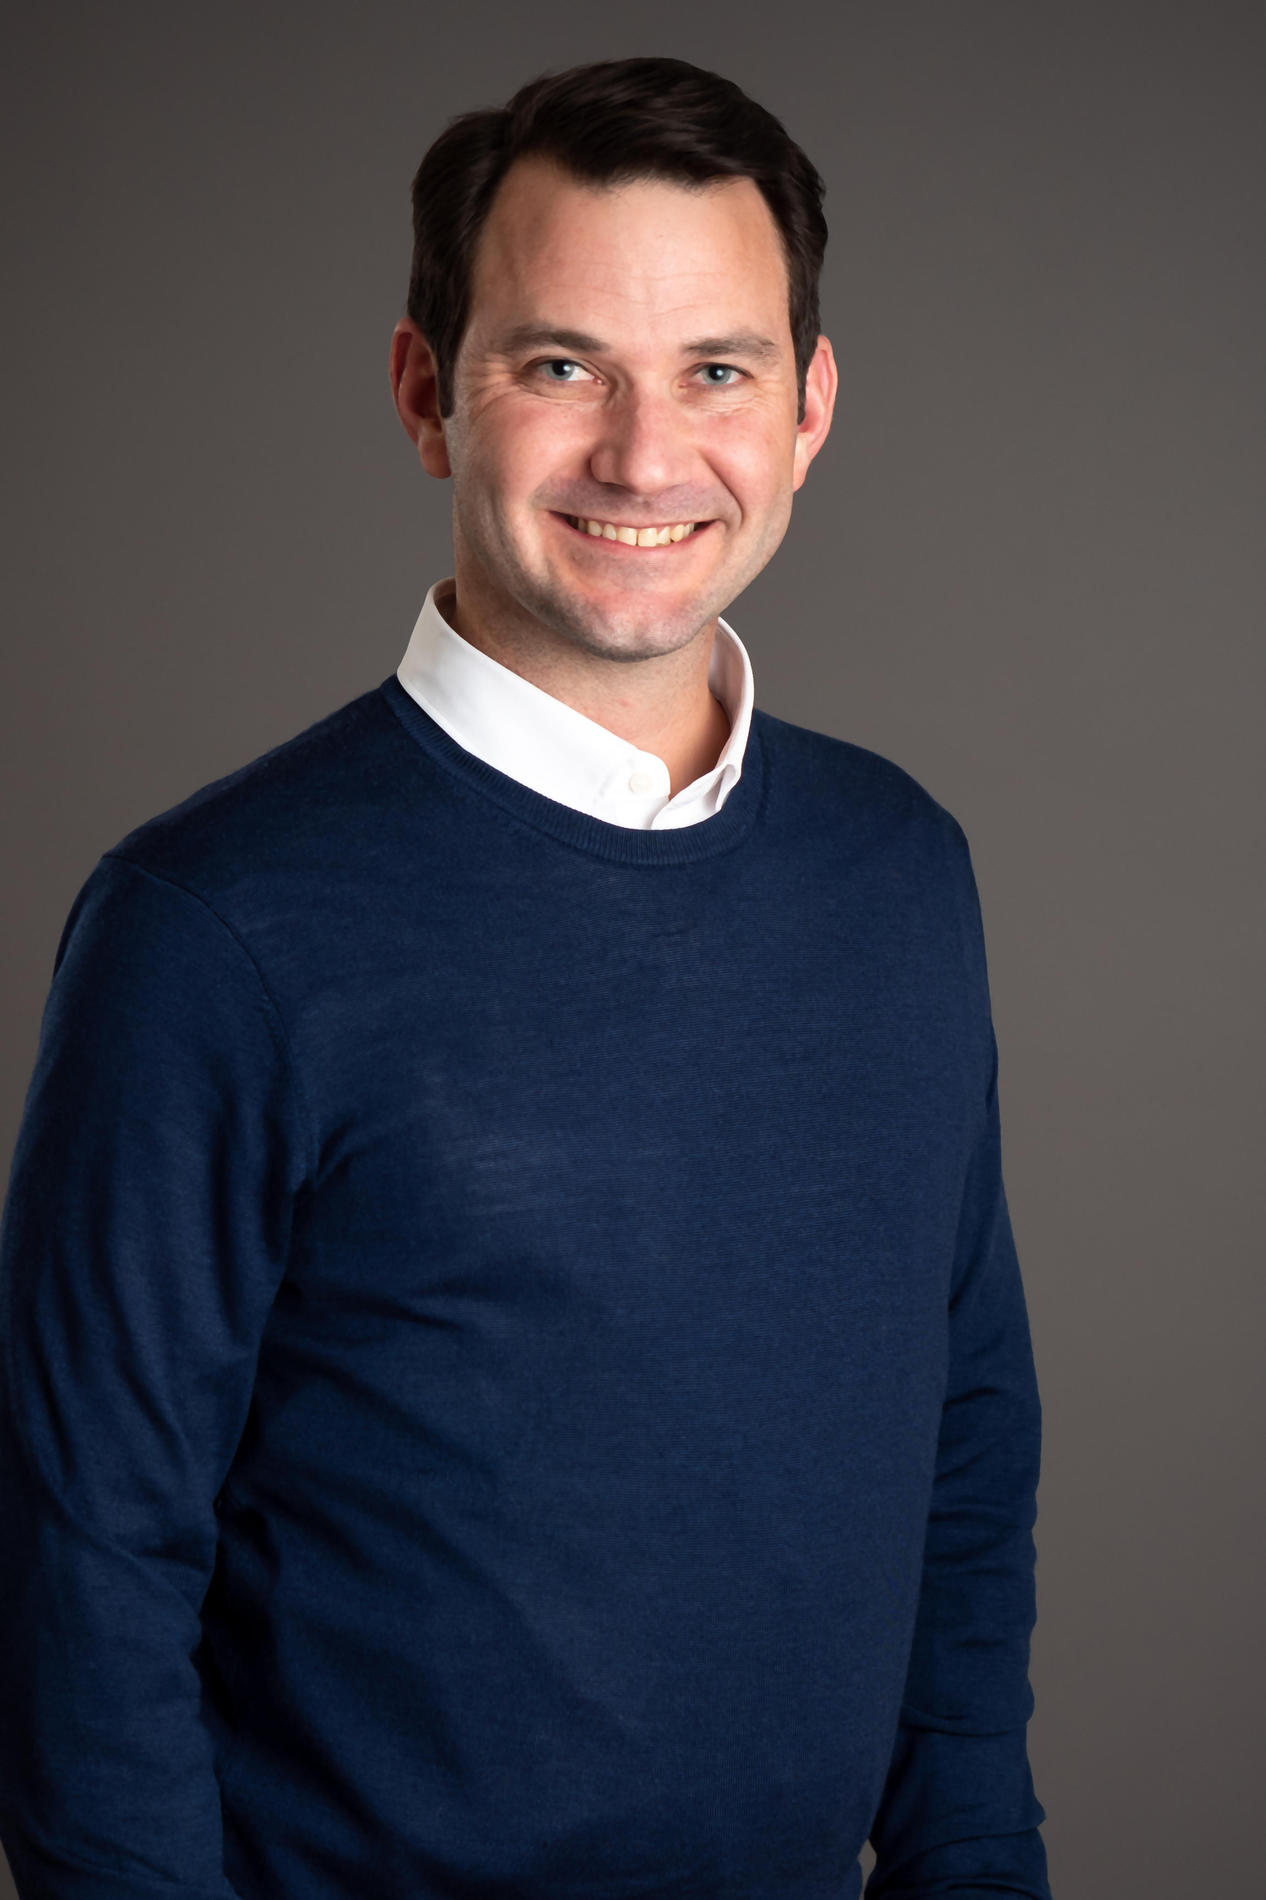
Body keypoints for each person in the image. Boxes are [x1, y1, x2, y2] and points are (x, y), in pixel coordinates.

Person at [0, 56, 1051, 1900]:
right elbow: (74, 1567)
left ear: (807, 408)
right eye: (561, 367)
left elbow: (961, 1442)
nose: (645, 457)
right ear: (428, 394)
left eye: (715, 372)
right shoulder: (213, 928)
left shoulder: (897, 872)